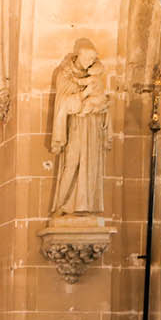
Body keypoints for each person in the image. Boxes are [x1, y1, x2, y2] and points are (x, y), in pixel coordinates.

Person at [48, 38, 111, 215]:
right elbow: (64, 104)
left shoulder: (95, 77)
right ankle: (60, 205)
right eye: (89, 58)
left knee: (91, 165)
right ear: (79, 55)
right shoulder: (64, 75)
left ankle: (87, 207)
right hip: (76, 125)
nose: (91, 62)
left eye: (93, 59)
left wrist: (102, 107)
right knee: (71, 163)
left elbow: (102, 100)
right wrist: (85, 94)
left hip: (92, 125)